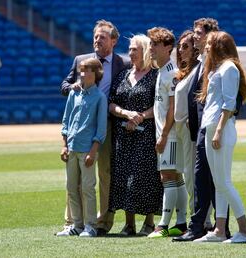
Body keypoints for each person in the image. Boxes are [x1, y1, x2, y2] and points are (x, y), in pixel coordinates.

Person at [60, 20, 129, 236]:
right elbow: (64, 85)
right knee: (75, 178)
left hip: (108, 126)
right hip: (81, 129)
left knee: (105, 174)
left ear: (114, 41)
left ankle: (101, 223)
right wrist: (72, 86)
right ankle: (72, 222)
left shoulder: (123, 63)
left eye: (103, 37)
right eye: (96, 36)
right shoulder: (81, 61)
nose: (97, 40)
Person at [173, 18, 233, 242]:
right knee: (201, 179)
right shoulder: (201, 61)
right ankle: (202, 226)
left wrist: (218, 127)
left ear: (211, 35)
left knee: (213, 179)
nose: (194, 36)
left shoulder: (219, 63)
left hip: (211, 127)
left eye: (198, 33)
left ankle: (218, 228)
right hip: (200, 129)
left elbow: (227, 98)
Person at [194, 31, 246, 243]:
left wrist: (218, 130)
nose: (206, 47)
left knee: (224, 182)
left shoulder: (228, 68)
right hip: (211, 127)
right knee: (219, 182)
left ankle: (244, 230)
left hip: (222, 129)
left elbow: (229, 104)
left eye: (209, 44)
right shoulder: (218, 68)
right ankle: (219, 230)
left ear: (219, 46)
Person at [108, 34, 163, 236]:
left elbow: (160, 105)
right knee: (123, 177)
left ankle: (149, 223)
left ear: (145, 51)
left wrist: (140, 117)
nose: (130, 52)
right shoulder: (123, 75)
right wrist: (125, 113)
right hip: (122, 135)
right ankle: (128, 224)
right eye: (130, 49)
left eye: (134, 49)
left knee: (144, 177)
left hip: (146, 134)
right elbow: (112, 103)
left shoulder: (155, 75)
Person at [57, 58, 107, 237]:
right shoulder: (73, 94)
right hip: (72, 148)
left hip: (87, 149)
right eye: (81, 71)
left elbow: (101, 128)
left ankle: (91, 226)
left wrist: (93, 151)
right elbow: (66, 120)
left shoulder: (100, 97)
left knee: (87, 188)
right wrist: (64, 145)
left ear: (96, 74)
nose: (83, 75)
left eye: (87, 71)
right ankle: (76, 225)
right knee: (71, 187)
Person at [146, 27, 188, 238]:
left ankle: (162, 225)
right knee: (176, 176)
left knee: (167, 176)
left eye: (154, 44)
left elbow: (173, 106)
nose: (150, 48)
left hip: (169, 134)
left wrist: (163, 135)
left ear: (168, 47)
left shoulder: (170, 71)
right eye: (150, 44)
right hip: (166, 133)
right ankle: (181, 223)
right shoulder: (162, 70)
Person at [174, 30, 199, 216]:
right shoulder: (183, 72)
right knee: (186, 174)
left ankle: (200, 219)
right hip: (180, 130)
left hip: (191, 130)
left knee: (192, 176)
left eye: (185, 46)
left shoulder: (198, 70)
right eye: (180, 46)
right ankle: (196, 217)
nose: (181, 50)